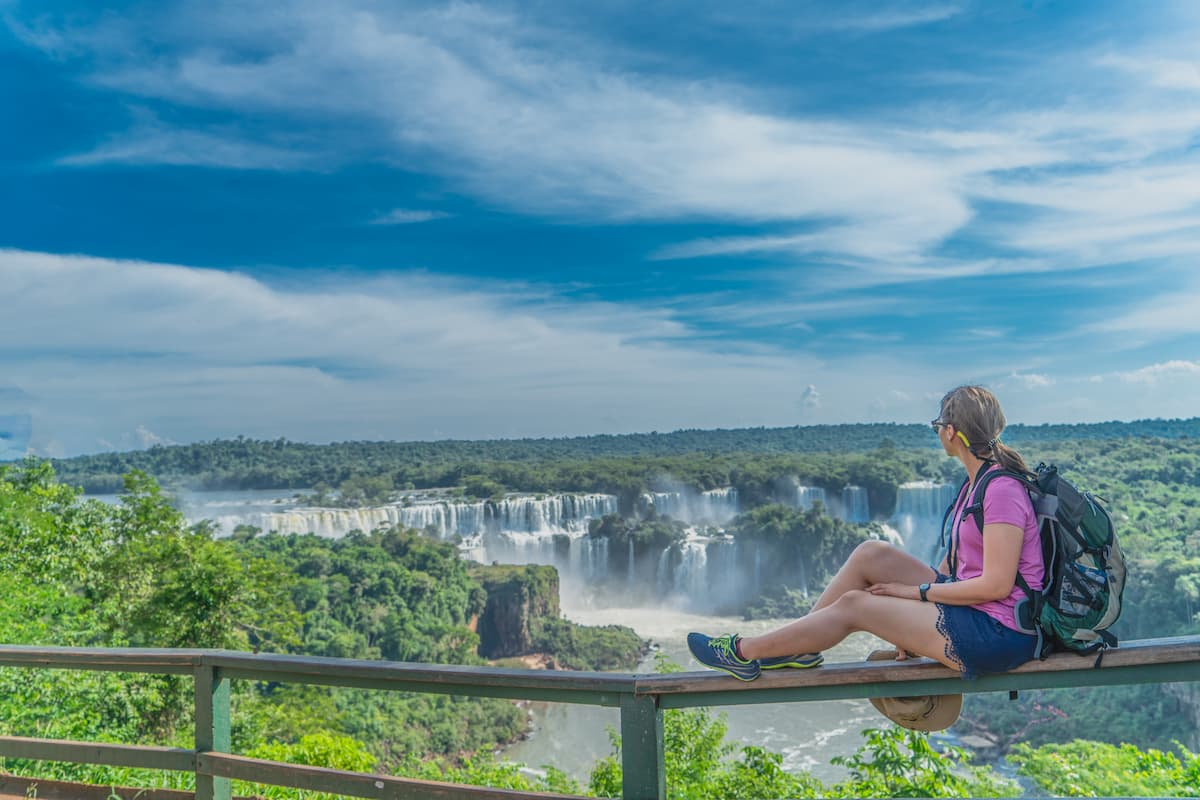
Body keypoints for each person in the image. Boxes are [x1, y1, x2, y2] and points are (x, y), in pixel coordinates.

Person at [688, 385, 1044, 681]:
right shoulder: (976, 483)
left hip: (999, 632)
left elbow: (996, 586)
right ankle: (800, 647)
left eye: (939, 424)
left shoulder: (1000, 490)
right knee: (871, 553)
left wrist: (913, 595)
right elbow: (954, 566)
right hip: (975, 611)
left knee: (855, 605)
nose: (938, 432)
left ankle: (743, 652)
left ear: (951, 432)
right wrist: (909, 622)